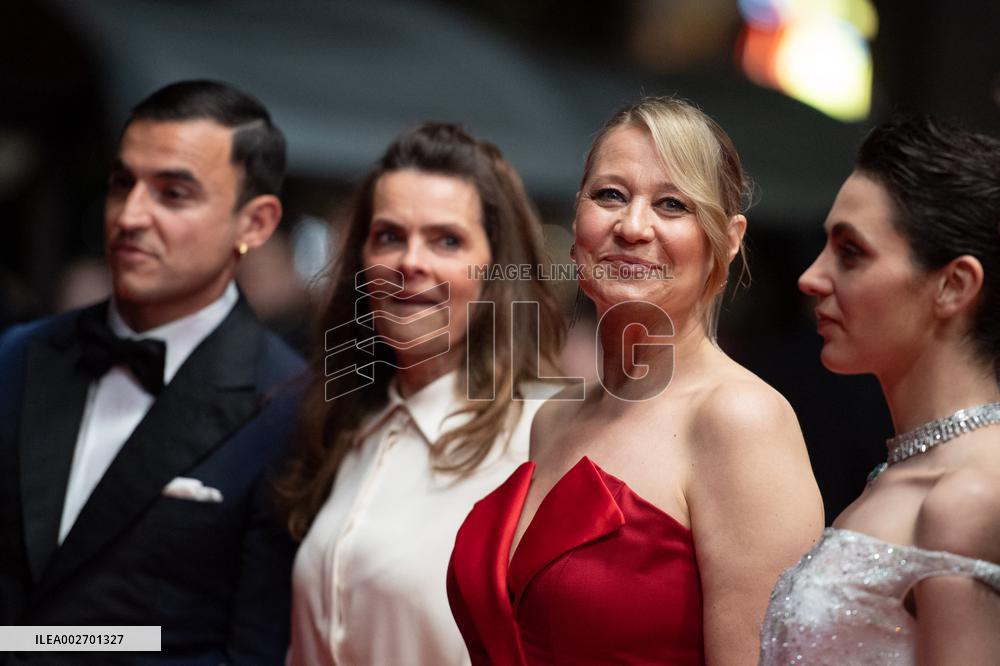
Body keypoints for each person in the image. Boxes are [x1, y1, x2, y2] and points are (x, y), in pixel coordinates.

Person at [448, 96, 824, 665]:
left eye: (672, 204)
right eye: (610, 196)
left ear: (728, 239)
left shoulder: (741, 421)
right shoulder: (555, 420)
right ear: (577, 222)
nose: (632, 226)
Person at [0, 80, 304, 664]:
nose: (130, 215)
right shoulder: (20, 356)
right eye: (122, 184)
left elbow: (256, 644)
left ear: (255, 224)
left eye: (173, 193)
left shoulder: (287, 407)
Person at [279, 122, 565, 665]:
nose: (411, 262)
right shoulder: (347, 423)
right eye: (390, 236)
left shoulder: (541, 436)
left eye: (447, 240)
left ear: (495, 271)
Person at [761, 116, 1000, 664]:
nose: (811, 277)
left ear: (954, 285)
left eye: (850, 253)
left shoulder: (968, 497)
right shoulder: (901, 475)